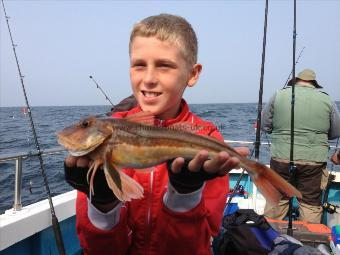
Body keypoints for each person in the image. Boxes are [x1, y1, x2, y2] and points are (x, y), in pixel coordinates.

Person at [64, 14, 249, 255]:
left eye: (165, 66)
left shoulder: (208, 140)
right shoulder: (108, 136)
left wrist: (185, 195)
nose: (149, 79)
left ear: (193, 74)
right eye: (139, 65)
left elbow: (200, 242)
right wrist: (103, 205)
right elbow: (99, 250)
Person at [262, 68, 340, 223]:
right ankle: (308, 242)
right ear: (314, 84)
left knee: (277, 200)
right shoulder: (327, 100)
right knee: (310, 203)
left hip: (281, 159)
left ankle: (266, 239)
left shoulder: (279, 94)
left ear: (295, 81)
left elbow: (265, 125)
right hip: (313, 163)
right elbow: (335, 132)